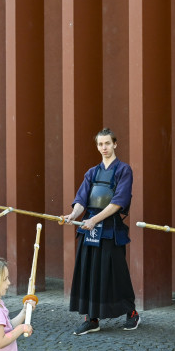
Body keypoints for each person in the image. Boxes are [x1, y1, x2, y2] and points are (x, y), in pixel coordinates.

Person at [63, 127, 140, 334]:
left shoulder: (124, 170)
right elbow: (81, 199)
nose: (104, 147)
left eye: (107, 143)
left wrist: (94, 220)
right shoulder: (92, 172)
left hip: (110, 228)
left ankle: (131, 313)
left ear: (115, 144)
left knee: (116, 272)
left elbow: (118, 202)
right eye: (100, 144)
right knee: (88, 271)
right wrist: (73, 215)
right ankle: (92, 318)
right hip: (89, 229)